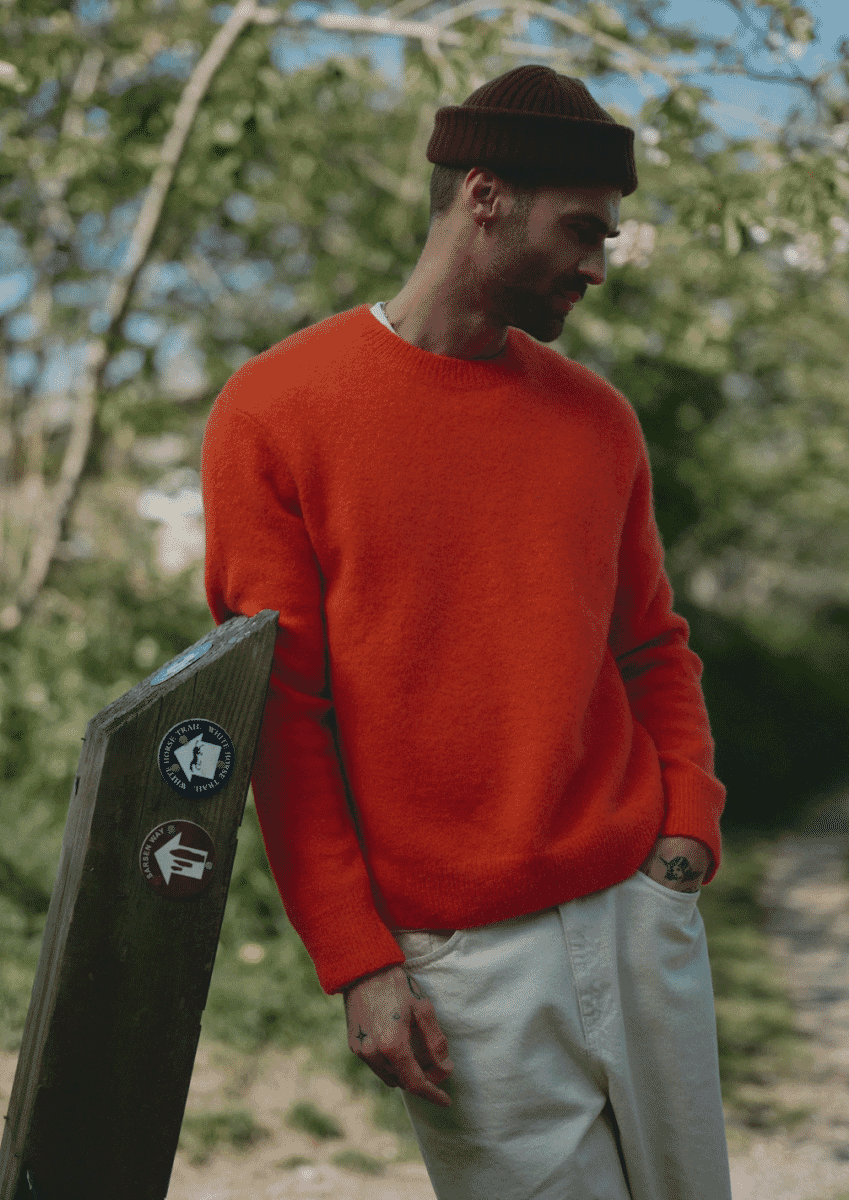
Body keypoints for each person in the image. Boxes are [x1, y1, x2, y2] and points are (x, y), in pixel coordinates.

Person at [201, 63, 732, 1200]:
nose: (597, 265)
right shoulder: (274, 411)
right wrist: (356, 957)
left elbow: (651, 647)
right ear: (484, 197)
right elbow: (284, 718)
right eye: (581, 229)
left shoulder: (597, 420)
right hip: (460, 960)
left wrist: (685, 830)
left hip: (637, 908)